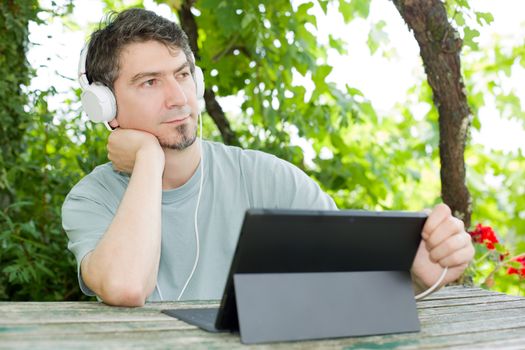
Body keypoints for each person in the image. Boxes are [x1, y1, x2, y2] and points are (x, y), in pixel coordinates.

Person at [62, 8, 474, 307]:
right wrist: (148, 161)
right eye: (150, 82)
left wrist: (418, 273)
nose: (178, 98)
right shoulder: (90, 199)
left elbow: (355, 286)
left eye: (183, 74)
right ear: (106, 107)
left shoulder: (272, 180)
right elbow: (126, 287)